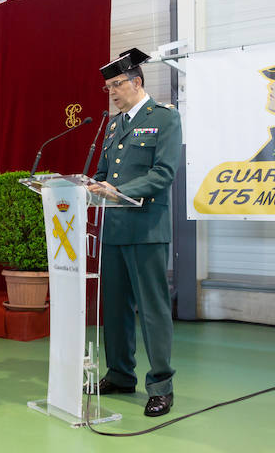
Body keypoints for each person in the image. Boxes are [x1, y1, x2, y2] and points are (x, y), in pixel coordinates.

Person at [87, 48, 182, 418]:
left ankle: (161, 385)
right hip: (113, 229)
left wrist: (121, 192)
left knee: (153, 310)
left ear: (136, 82)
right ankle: (120, 374)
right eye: (107, 86)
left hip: (146, 229)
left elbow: (164, 173)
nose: (111, 92)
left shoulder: (165, 119)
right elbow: (101, 173)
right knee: (115, 309)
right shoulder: (113, 125)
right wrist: (89, 187)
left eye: (116, 84)